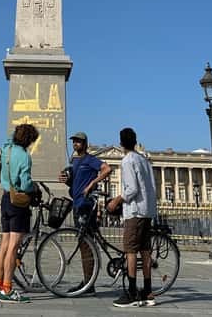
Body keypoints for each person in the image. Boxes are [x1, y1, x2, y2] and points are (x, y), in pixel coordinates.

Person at [107, 127, 157, 308]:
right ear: (134, 141)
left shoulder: (128, 161)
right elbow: (151, 187)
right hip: (147, 210)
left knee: (130, 250)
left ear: (121, 143)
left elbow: (132, 189)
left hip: (135, 212)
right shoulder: (144, 160)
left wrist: (116, 200)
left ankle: (132, 291)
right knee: (145, 251)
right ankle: (148, 291)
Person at [59, 131, 112, 295]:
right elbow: (75, 183)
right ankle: (88, 281)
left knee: (85, 243)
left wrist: (92, 184)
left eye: (79, 141)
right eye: (74, 141)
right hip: (77, 204)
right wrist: (66, 180)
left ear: (85, 144)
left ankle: (88, 283)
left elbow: (107, 169)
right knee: (85, 243)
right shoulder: (75, 161)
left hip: (86, 206)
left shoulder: (90, 159)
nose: (75, 143)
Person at [0, 123, 38, 304]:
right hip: (18, 202)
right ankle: (8, 288)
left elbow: (6, 143)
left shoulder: (6, 150)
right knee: (13, 247)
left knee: (4, 246)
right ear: (29, 140)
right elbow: (25, 183)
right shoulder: (25, 156)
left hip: (5, 199)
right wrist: (32, 186)